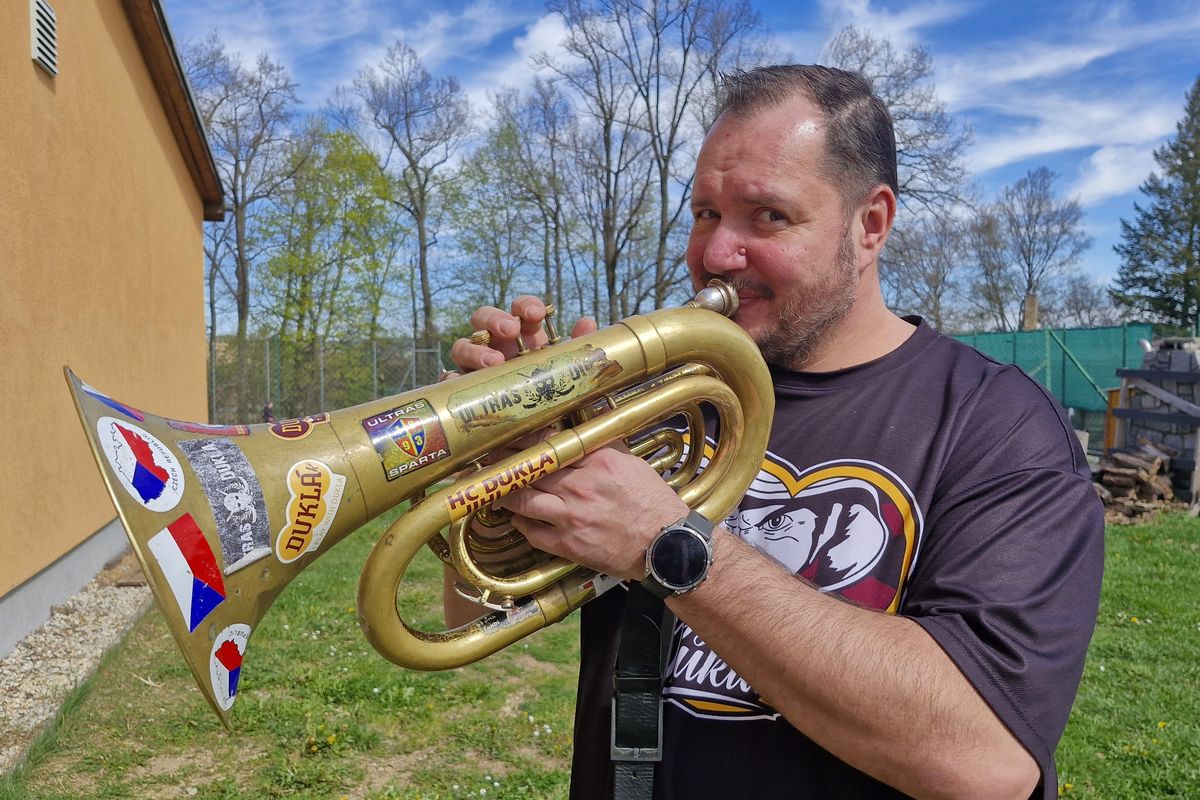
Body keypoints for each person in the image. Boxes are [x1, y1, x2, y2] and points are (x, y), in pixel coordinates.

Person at [446, 65, 1103, 800]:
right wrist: (500, 466)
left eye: (767, 217)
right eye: (703, 213)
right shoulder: (651, 400)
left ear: (871, 224)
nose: (715, 254)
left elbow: (984, 759)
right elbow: (471, 615)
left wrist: (664, 543)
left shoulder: (996, 423)